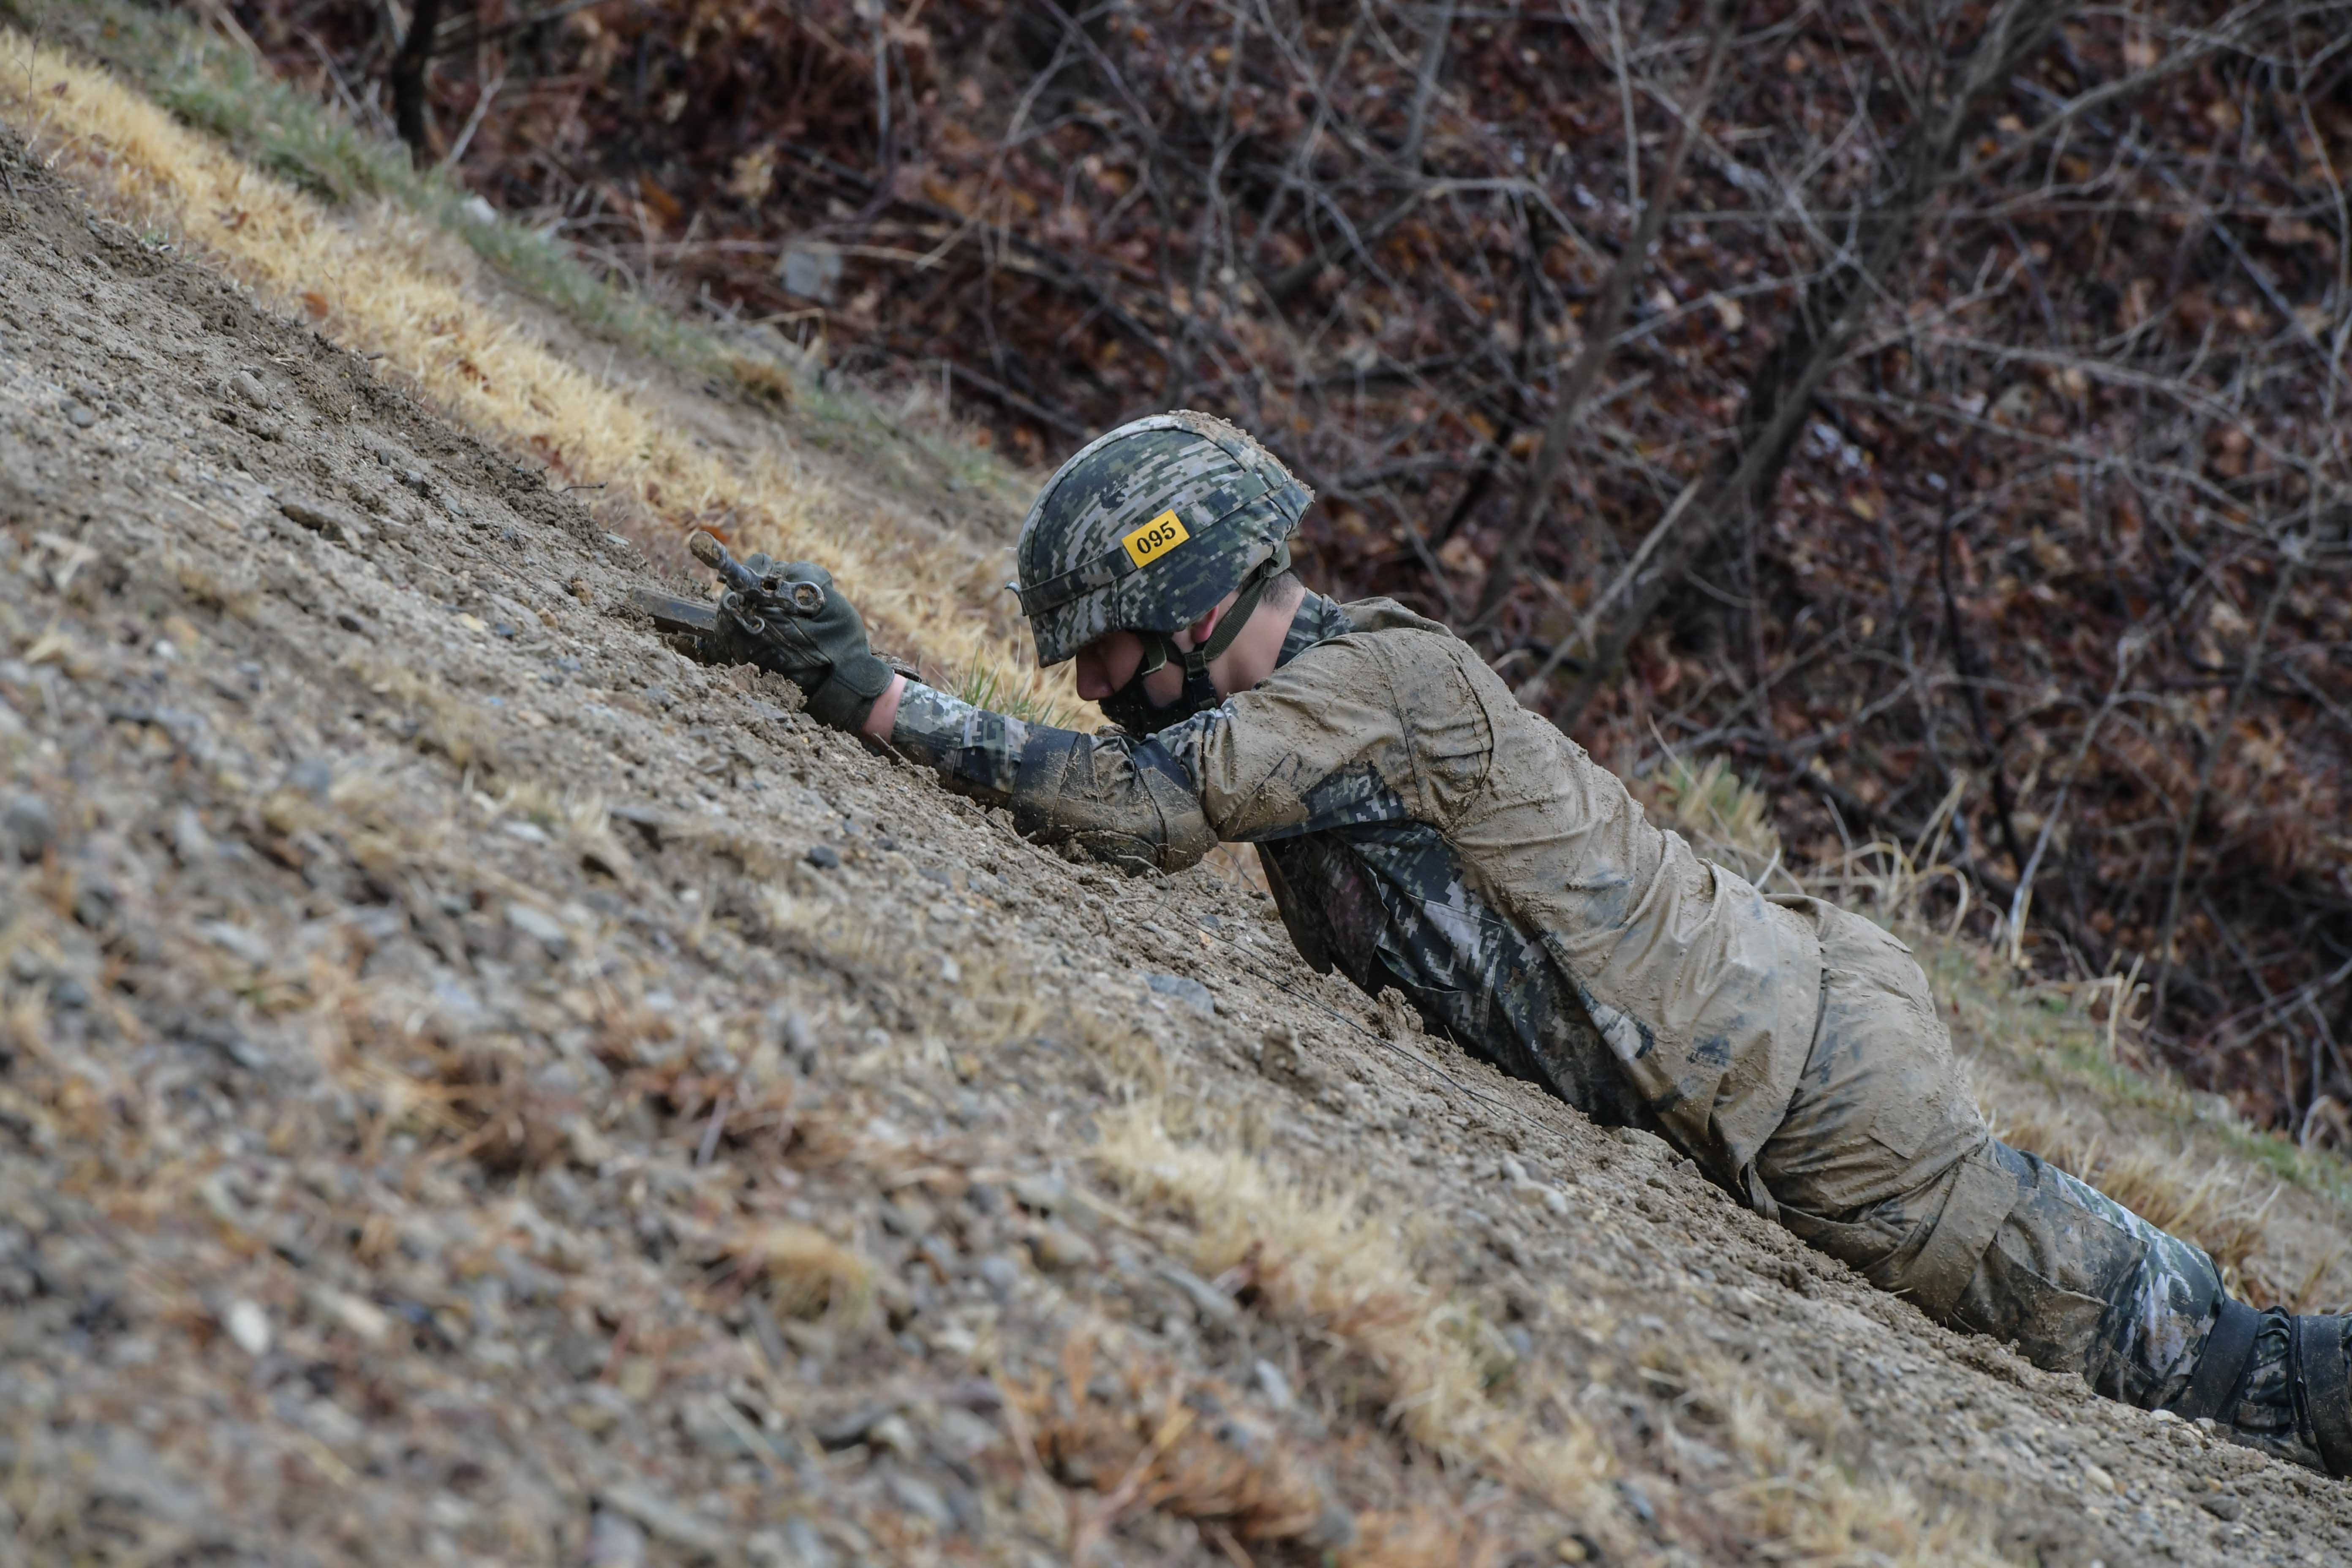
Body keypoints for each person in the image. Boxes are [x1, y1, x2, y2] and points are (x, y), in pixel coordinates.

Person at [713, 409, 2352, 1478]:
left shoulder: (1376, 686)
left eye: (1109, 645)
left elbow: (1138, 808)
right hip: (1777, 1033)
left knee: (2198, 1361)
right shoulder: (1322, 702)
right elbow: (1133, 774)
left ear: (1197, 602)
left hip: (1805, 1080)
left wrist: (872, 693)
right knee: (2173, 1326)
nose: (1091, 682)